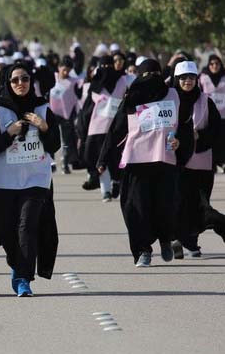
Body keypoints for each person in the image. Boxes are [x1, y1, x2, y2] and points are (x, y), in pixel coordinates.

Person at [97, 59, 191, 267]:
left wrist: (181, 142)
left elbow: (184, 124)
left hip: (164, 158)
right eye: (147, 75)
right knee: (135, 207)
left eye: (156, 75)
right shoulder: (131, 99)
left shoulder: (173, 95)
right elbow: (116, 129)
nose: (152, 80)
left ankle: (165, 239)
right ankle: (142, 251)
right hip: (137, 161)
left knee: (164, 206)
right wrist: (103, 158)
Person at [0, 63, 60, 297]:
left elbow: (55, 144)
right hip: (6, 180)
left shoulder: (42, 107)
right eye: (15, 80)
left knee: (28, 226)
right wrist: (10, 133)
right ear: (7, 82)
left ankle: (23, 277)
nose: (20, 84)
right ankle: (16, 265)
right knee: (8, 230)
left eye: (25, 79)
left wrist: (44, 126)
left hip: (36, 178)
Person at [170, 61, 221, 258]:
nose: (188, 81)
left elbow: (217, 129)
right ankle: (178, 238)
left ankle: (191, 242)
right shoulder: (168, 100)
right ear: (177, 79)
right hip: (175, 161)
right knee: (178, 201)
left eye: (191, 78)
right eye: (183, 78)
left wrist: (201, 136)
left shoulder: (205, 100)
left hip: (201, 161)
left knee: (200, 203)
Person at [77, 55, 129, 201]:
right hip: (106, 128)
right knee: (102, 161)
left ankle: (115, 184)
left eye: (109, 66)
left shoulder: (98, 84)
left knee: (110, 160)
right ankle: (107, 190)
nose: (107, 70)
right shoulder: (114, 82)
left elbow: (86, 110)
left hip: (106, 128)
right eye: (105, 66)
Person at [49, 56, 81, 174]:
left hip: (66, 115)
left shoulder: (73, 82)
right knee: (51, 139)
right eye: (64, 69)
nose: (66, 72)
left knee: (66, 141)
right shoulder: (52, 79)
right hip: (51, 114)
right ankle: (51, 163)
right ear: (59, 68)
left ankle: (65, 163)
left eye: (68, 70)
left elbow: (78, 97)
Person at [198, 54, 225, 169]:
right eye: (212, 64)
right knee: (211, 140)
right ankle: (212, 163)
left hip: (223, 116)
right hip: (209, 115)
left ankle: (222, 162)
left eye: (217, 64)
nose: (214, 66)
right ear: (208, 65)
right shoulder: (202, 77)